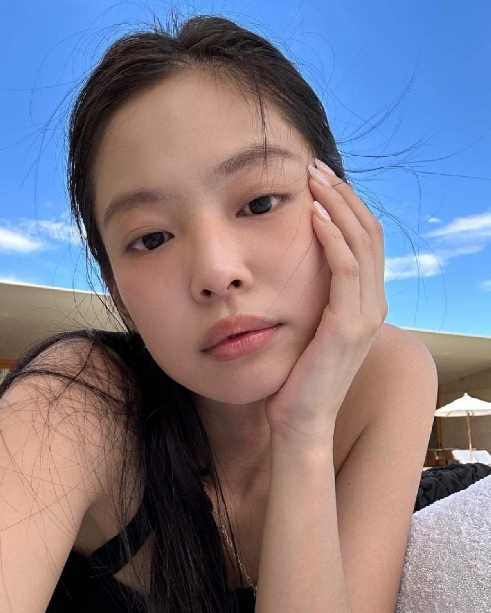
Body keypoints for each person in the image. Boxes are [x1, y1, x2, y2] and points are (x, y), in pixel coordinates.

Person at [0, 14, 439, 613]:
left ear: (341, 206)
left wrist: (305, 433)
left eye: (260, 202)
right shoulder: (71, 402)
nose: (215, 271)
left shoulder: (388, 376)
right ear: (117, 289)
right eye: (151, 238)